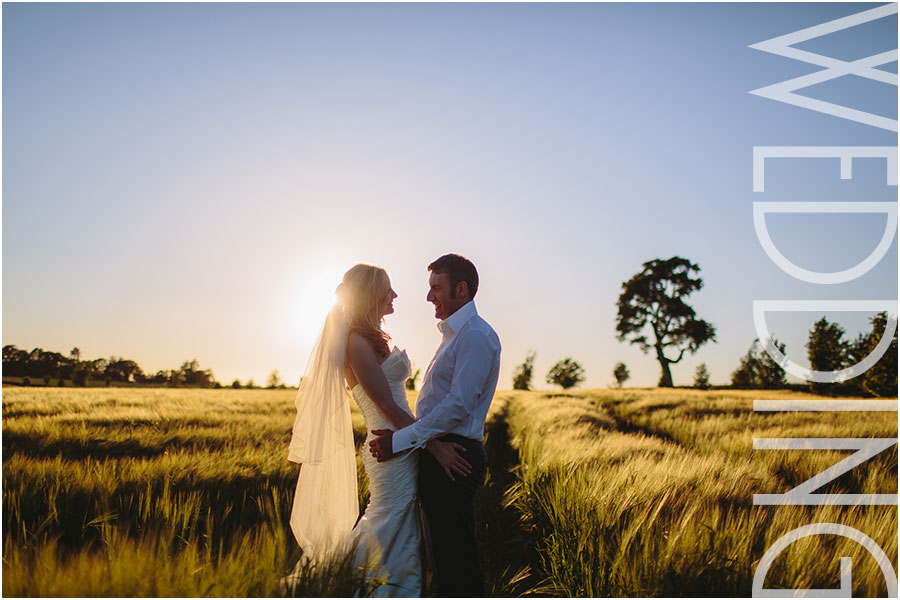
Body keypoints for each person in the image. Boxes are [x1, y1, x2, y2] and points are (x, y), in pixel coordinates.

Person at [285, 263, 470, 597]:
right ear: (371, 294)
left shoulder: (370, 339)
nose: (395, 294)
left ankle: (374, 586)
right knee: (388, 519)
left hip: (404, 442)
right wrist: (434, 445)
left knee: (398, 522)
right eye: (388, 288)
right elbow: (386, 406)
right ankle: (352, 586)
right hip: (389, 448)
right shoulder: (355, 343)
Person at [369, 254, 501, 597]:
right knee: (444, 559)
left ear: (461, 289)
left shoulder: (474, 336)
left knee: (454, 561)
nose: (429, 297)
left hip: (454, 455)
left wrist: (400, 440)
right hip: (440, 451)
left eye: (436, 288)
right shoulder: (454, 335)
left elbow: (459, 405)